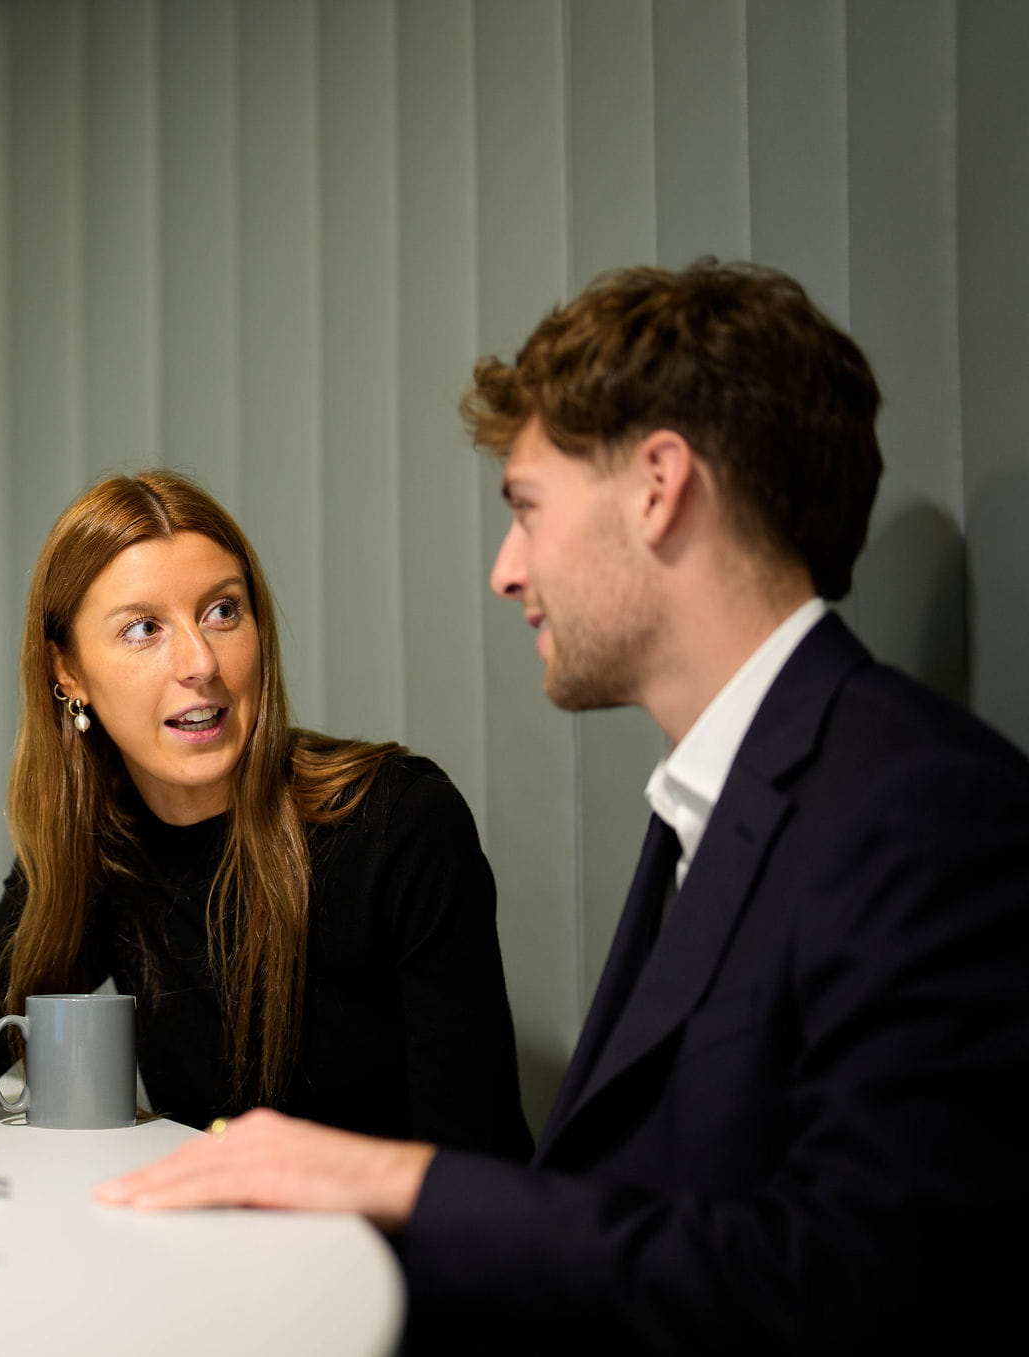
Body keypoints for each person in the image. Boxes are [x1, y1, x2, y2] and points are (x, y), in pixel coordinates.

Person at [95, 261, 1029, 1350]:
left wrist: (395, 1178)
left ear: (656, 486)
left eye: (526, 509)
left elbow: (846, 1288)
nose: (505, 568)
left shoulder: (923, 809)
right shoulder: (720, 799)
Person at [0, 470, 532, 1159]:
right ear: (67, 672)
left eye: (223, 611)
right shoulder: (101, 844)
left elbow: (477, 1164)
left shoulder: (397, 820)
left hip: (383, 1270)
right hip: (209, 1259)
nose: (200, 661)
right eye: (142, 629)